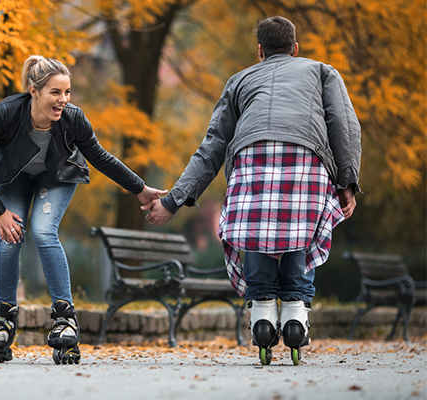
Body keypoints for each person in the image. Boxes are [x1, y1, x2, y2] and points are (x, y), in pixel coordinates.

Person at [143, 16, 361, 365]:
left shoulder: (240, 79)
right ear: (296, 49)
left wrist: (172, 201)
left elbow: (212, 146)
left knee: (257, 229)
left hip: (251, 155)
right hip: (306, 155)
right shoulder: (323, 72)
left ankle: (262, 316)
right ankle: (294, 316)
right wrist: (347, 182)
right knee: (299, 229)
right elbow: (343, 125)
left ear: (260, 51)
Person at [0, 55, 166, 365]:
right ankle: (3, 320)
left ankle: (65, 319)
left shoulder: (73, 119)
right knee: (9, 235)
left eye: (67, 92)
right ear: (34, 91)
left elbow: (101, 158)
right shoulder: (5, 114)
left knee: (44, 232)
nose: (63, 100)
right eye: (55, 92)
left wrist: (140, 189)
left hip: (56, 176)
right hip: (13, 177)